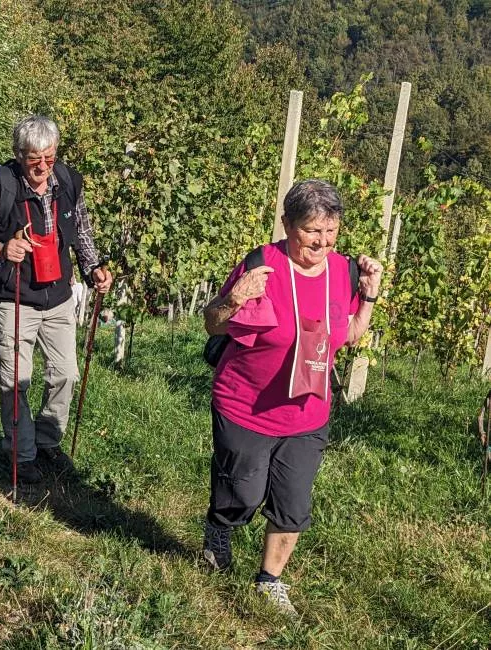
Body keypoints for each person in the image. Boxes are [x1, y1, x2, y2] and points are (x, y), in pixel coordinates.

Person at [201, 179, 382, 616]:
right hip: (247, 407)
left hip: (308, 414)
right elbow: (212, 324)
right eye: (310, 230)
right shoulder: (263, 263)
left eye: (331, 230)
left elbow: (350, 336)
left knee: (293, 502)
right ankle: (219, 528)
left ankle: (269, 580)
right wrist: (234, 298)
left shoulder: (343, 272)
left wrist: (370, 296)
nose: (322, 241)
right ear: (287, 225)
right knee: (242, 494)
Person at [0, 114, 113, 483]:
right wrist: (1, 248)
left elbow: (83, 231)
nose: (43, 166)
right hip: (13, 299)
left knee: (65, 375)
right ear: (18, 154)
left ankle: (47, 442)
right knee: (16, 380)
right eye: (34, 159)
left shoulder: (68, 182)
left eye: (49, 157)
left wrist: (94, 268)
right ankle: (22, 453)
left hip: (59, 297)